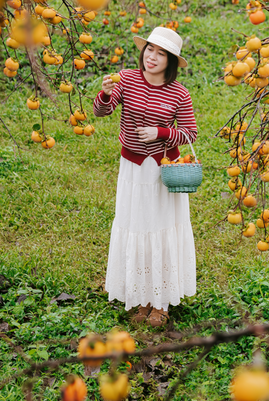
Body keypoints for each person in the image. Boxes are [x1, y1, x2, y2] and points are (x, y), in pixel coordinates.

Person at [93, 26, 198, 328]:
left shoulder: (179, 93)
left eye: (160, 53)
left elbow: (190, 132)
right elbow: (103, 111)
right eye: (149, 49)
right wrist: (105, 94)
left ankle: (161, 301)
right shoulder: (126, 79)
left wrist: (161, 133)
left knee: (161, 228)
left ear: (171, 61)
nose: (152, 57)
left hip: (163, 171)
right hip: (133, 168)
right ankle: (141, 297)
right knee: (136, 225)